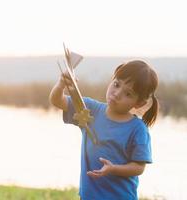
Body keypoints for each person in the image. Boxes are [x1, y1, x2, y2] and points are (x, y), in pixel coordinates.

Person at [49, 60, 159, 200]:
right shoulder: (91, 109)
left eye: (128, 94)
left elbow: (138, 167)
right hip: (89, 196)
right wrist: (61, 85)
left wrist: (113, 169)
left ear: (139, 103)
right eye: (116, 84)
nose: (117, 94)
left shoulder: (137, 129)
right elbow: (58, 101)